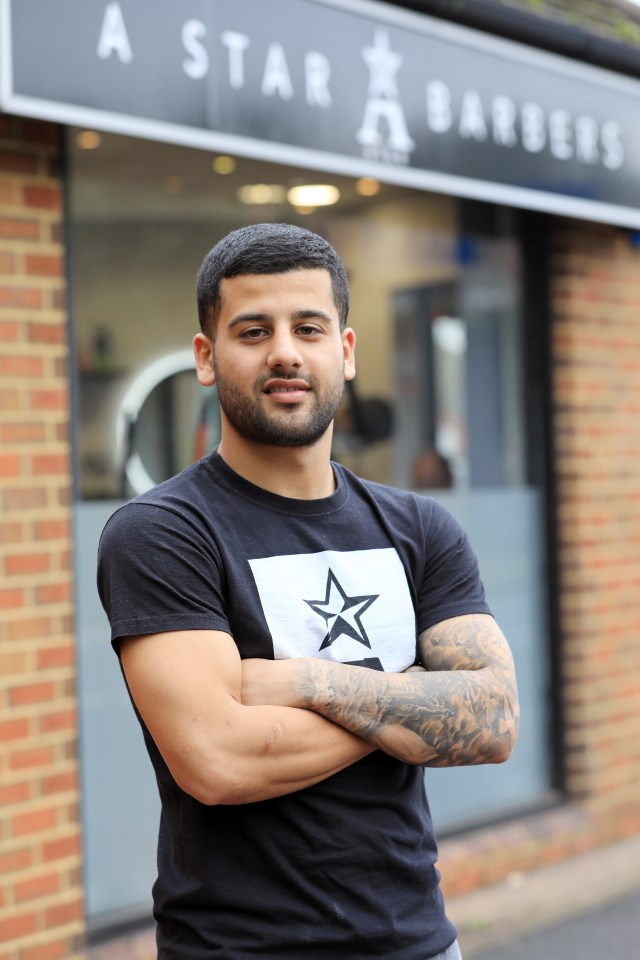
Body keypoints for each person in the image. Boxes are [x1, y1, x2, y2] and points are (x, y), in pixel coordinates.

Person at [97, 222, 519, 960]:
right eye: (253, 330)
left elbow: (494, 721)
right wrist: (417, 699)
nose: (285, 351)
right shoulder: (161, 533)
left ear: (345, 353)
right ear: (206, 357)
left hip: (418, 943)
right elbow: (220, 762)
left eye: (309, 327)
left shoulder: (420, 527)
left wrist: (308, 682)